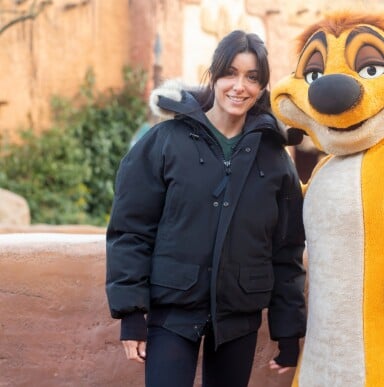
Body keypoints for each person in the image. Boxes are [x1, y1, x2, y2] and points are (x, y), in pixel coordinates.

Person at [105, 30, 307, 387]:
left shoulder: (275, 158)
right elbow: (131, 230)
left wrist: (287, 330)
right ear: (213, 75)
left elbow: (287, 249)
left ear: (262, 87)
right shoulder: (165, 141)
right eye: (230, 72)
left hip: (239, 317)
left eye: (252, 77)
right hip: (172, 312)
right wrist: (132, 314)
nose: (239, 86)